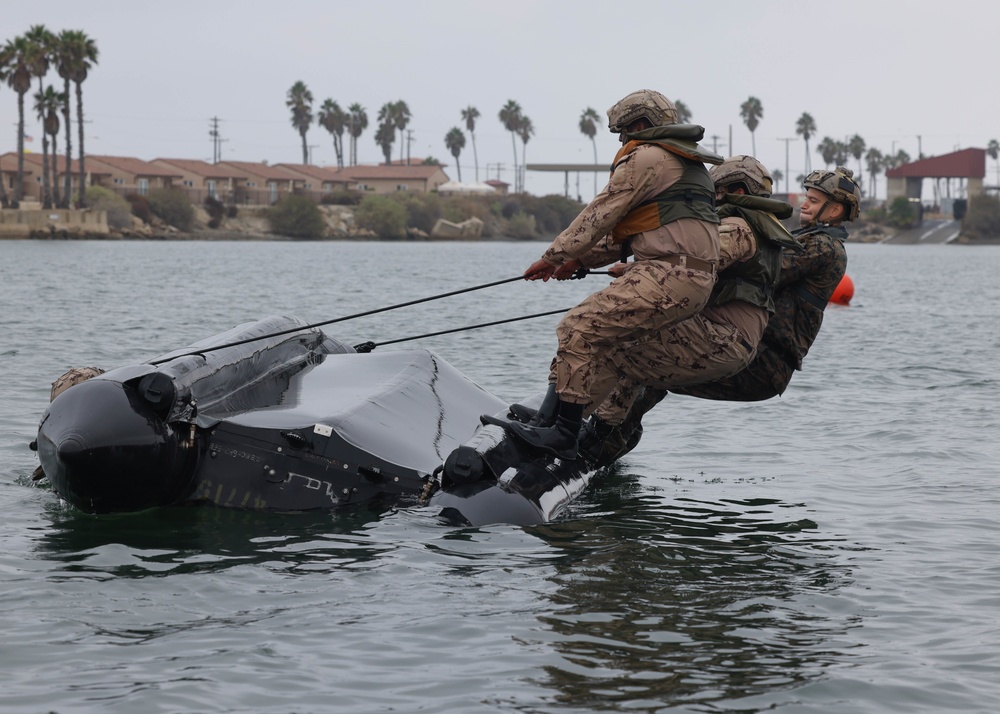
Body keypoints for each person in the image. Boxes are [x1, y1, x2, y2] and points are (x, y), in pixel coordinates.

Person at [496, 89, 724, 460]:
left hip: (668, 272)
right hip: (688, 277)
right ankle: (548, 420)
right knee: (602, 338)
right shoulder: (685, 164)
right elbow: (635, 234)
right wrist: (581, 262)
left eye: (623, 132)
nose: (621, 141)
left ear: (640, 125)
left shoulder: (647, 156)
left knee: (579, 327)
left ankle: (562, 435)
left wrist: (554, 256)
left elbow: (600, 213)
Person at [596, 166, 858, 465]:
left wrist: (645, 269)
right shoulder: (807, 239)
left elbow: (749, 268)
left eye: (812, 200)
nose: (804, 204)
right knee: (652, 363)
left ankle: (600, 443)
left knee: (650, 363)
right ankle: (605, 439)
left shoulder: (823, 247)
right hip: (759, 359)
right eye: (806, 197)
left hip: (763, 363)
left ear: (835, 209)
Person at [573, 155, 801, 457]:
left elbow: (696, 260)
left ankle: (570, 422)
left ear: (739, 193)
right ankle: (595, 431)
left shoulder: (737, 228)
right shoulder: (757, 228)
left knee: (620, 333)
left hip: (721, 337)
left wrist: (632, 270)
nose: (710, 198)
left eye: (715, 191)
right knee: (635, 347)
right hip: (725, 338)